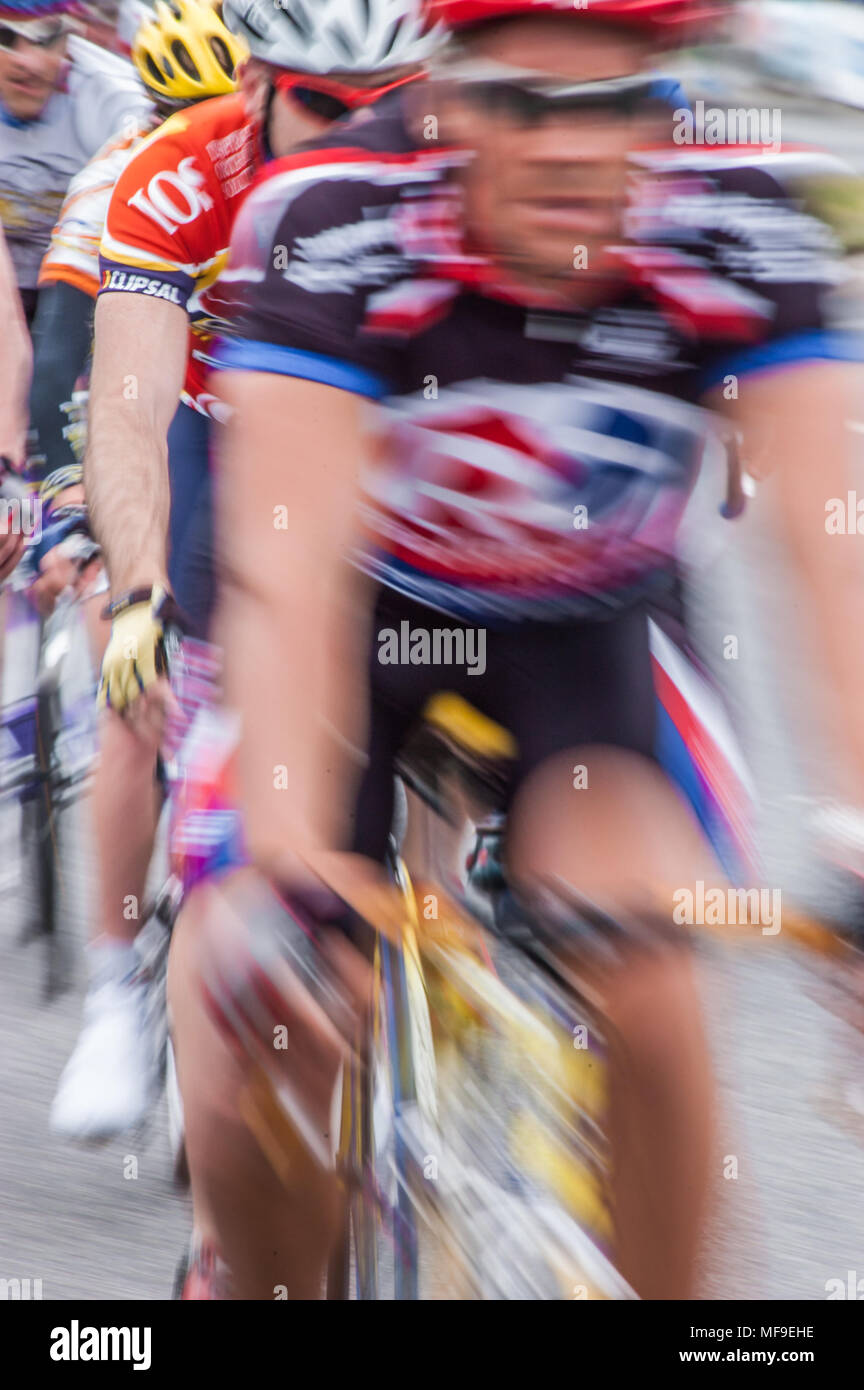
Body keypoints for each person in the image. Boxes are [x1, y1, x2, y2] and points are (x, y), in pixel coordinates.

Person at [158, 0, 864, 1300]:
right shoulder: (332, 218)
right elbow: (288, 567)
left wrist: (855, 844)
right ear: (447, 104)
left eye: (617, 108)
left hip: (582, 630)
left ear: (670, 108)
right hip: (347, 619)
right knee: (275, 1013)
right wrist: (286, 872)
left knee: (648, 984)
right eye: (525, 105)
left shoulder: (742, 223)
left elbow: (832, 541)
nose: (571, 149)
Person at [50, 0, 441, 1154]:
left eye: (388, 113)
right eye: (322, 109)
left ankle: (445, 1014)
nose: (355, 143)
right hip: (217, 431)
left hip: (385, 431)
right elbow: (124, 409)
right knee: (155, 703)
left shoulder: (454, 152)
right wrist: (134, 599)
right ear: (260, 82)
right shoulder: (177, 173)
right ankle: (126, 990)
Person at [0, 0, 152, 324]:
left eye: (46, 37)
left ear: (72, 35)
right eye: (5, 37)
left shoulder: (117, 99)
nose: (27, 62)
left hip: (83, 278)